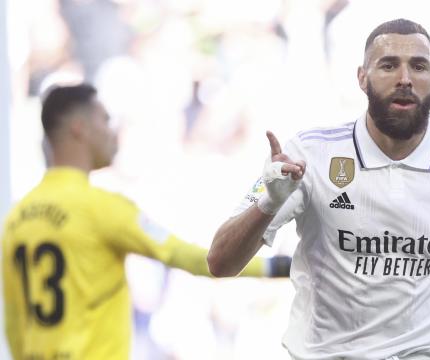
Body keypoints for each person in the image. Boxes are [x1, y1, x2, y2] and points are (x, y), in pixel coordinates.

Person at [207, 18, 430, 360]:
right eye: (389, 66)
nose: (405, 79)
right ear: (362, 78)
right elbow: (220, 262)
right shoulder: (308, 155)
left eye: (419, 67)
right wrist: (269, 202)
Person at [1, 84, 290, 360]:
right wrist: (278, 266)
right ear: (80, 129)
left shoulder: (16, 219)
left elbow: (13, 321)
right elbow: (191, 258)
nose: (113, 132)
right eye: (105, 120)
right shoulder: (102, 208)